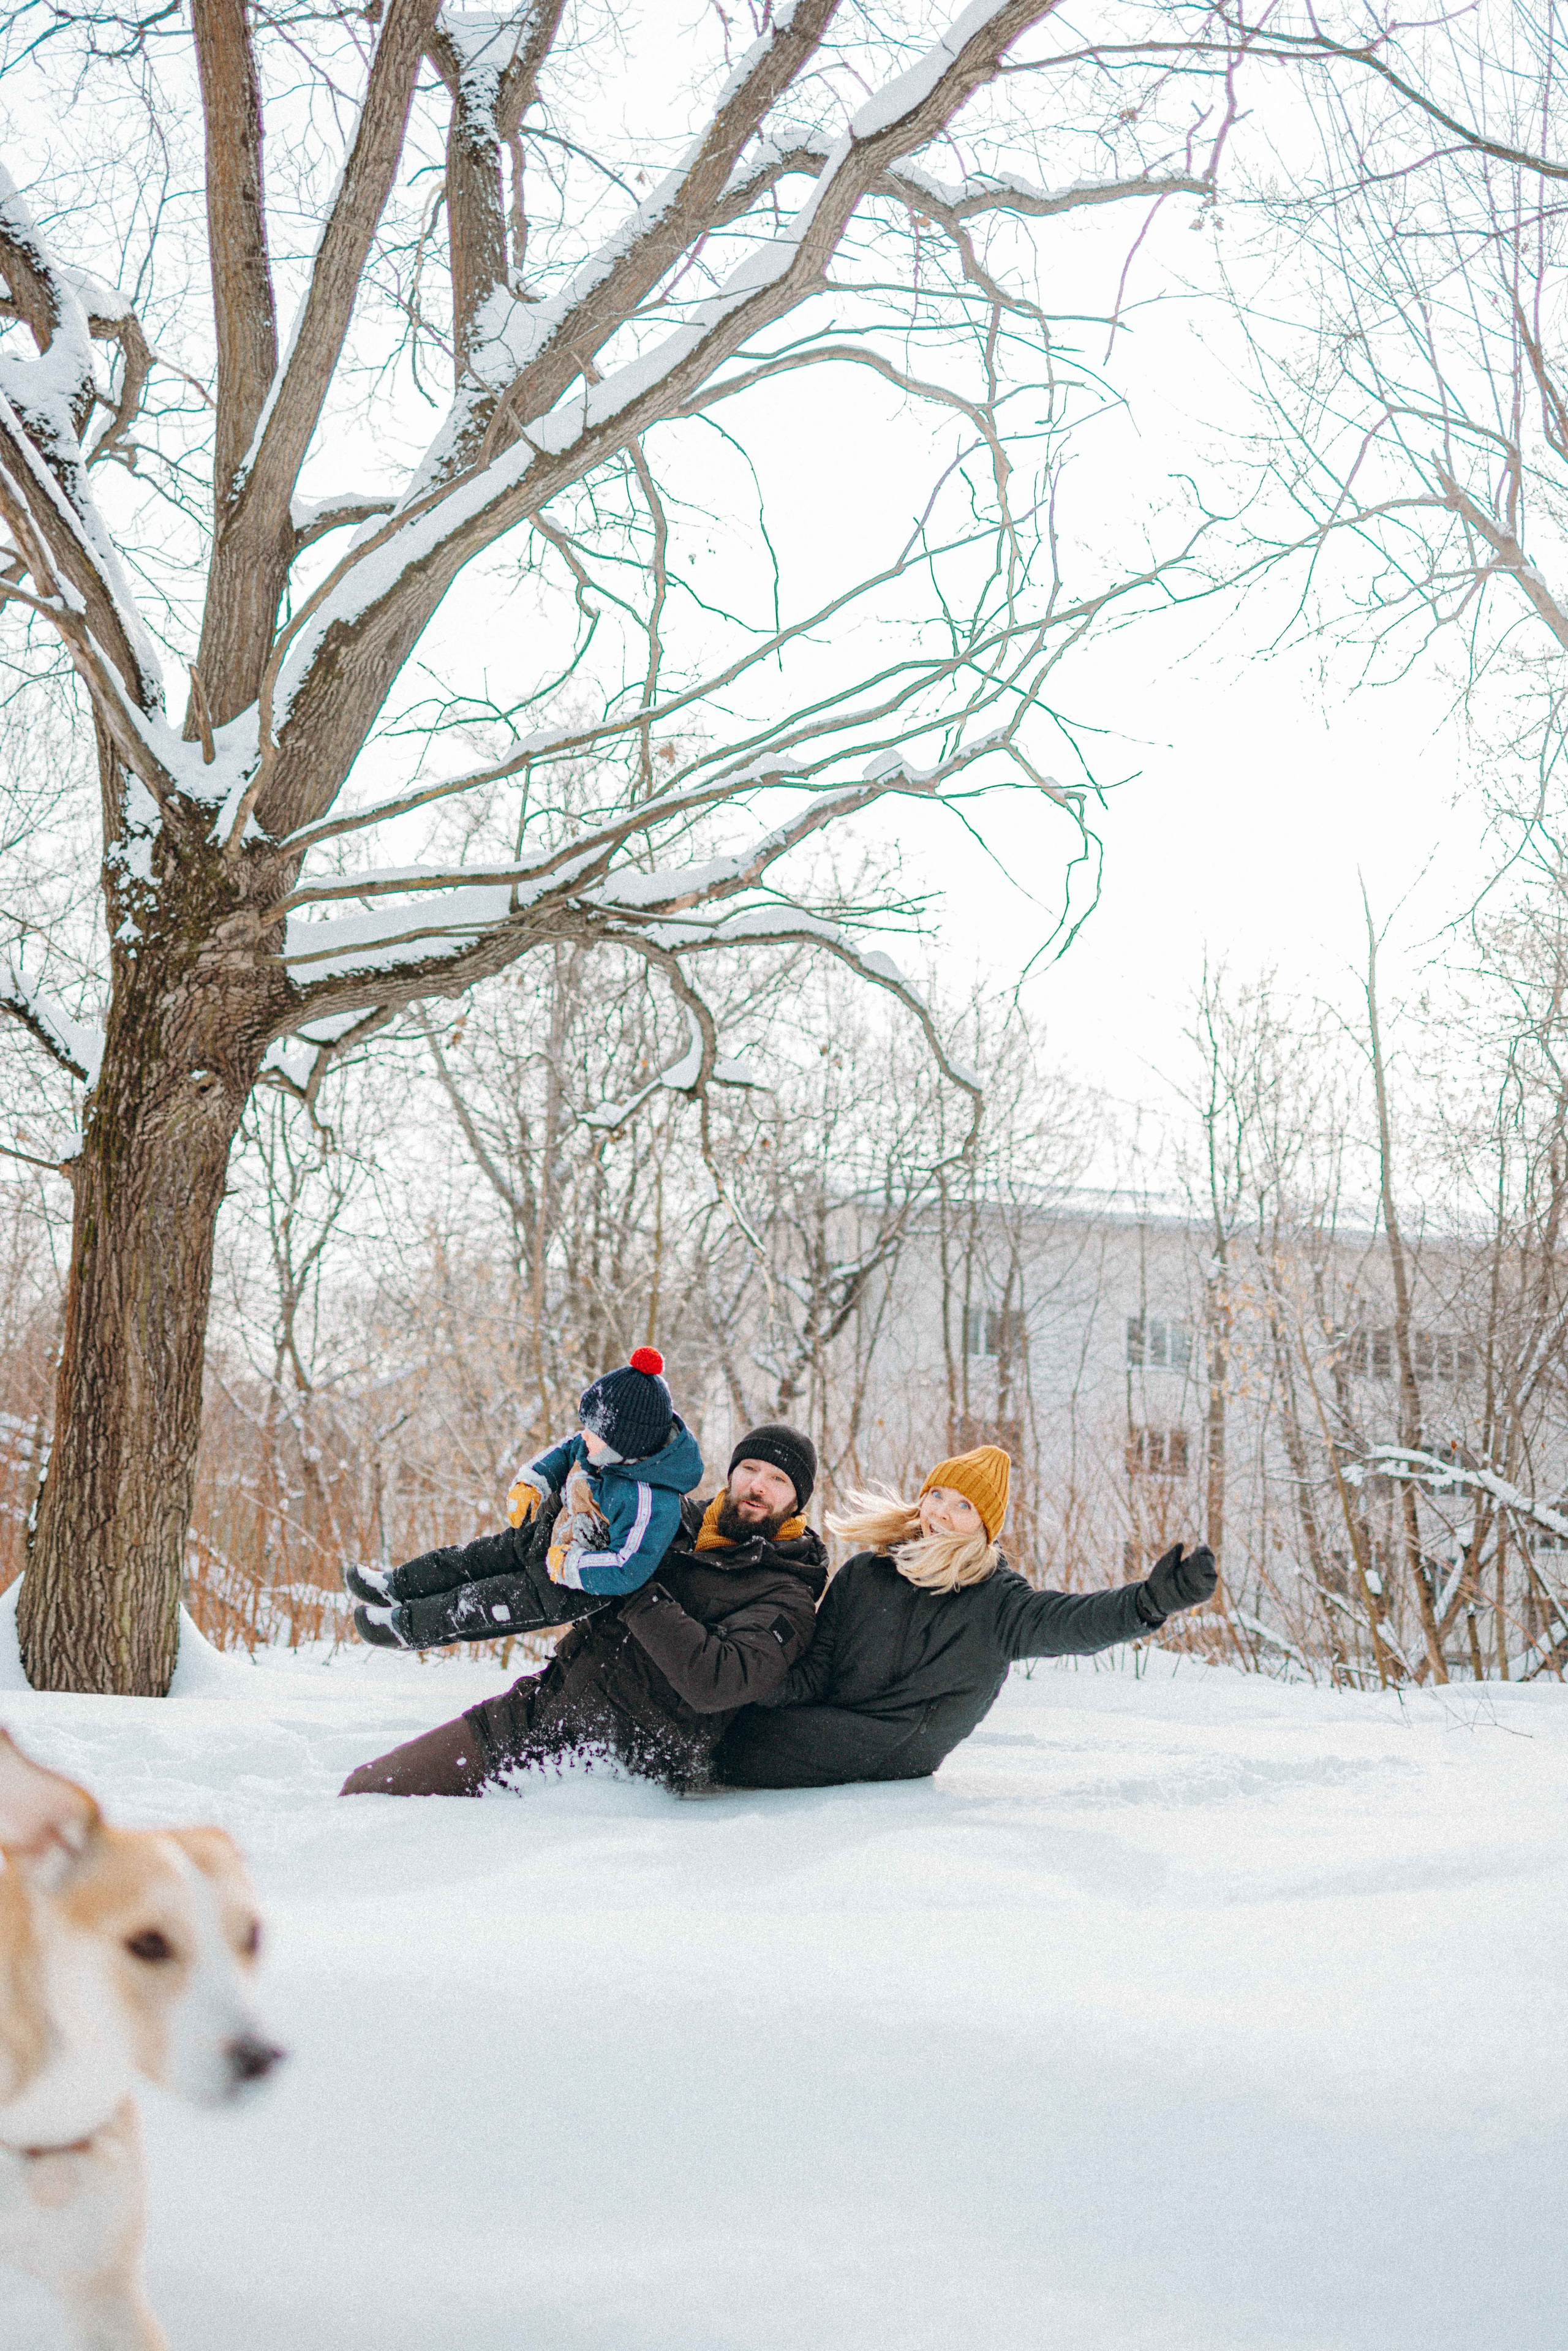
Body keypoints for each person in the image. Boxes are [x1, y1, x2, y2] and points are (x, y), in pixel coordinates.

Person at [339, 1423, 827, 1797]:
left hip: (620, 1762)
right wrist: (571, 1520)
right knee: (368, 1788)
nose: (757, 1486)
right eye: (750, 1469)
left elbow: (718, 1682)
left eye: (778, 1479)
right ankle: (403, 1602)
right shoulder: (669, 1519)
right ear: (732, 1473)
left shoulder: (787, 1595)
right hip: (542, 1709)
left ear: (798, 1500)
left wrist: (630, 1583)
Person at [713, 1443, 1216, 1789]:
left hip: (901, 1740)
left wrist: (1147, 1603)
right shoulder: (866, 1573)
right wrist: (754, 1685)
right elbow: (818, 1669)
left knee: (731, 1745)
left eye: (963, 1506)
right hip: (835, 1719)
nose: (941, 1513)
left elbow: (1071, 1621)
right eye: (936, 1495)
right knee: (728, 1710)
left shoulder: (997, 1602)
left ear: (984, 1527)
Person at [344, 1347, 703, 1650]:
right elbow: (567, 1450)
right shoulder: (601, 1448)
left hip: (562, 1587)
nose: (584, 1436)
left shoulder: (650, 1502)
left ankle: (402, 1627)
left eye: (594, 1431)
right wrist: (533, 1483)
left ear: (627, 1444)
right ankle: (394, 1586)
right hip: (541, 1537)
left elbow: (628, 1567)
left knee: (473, 1604)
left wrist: (570, 1566)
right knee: (467, 1559)